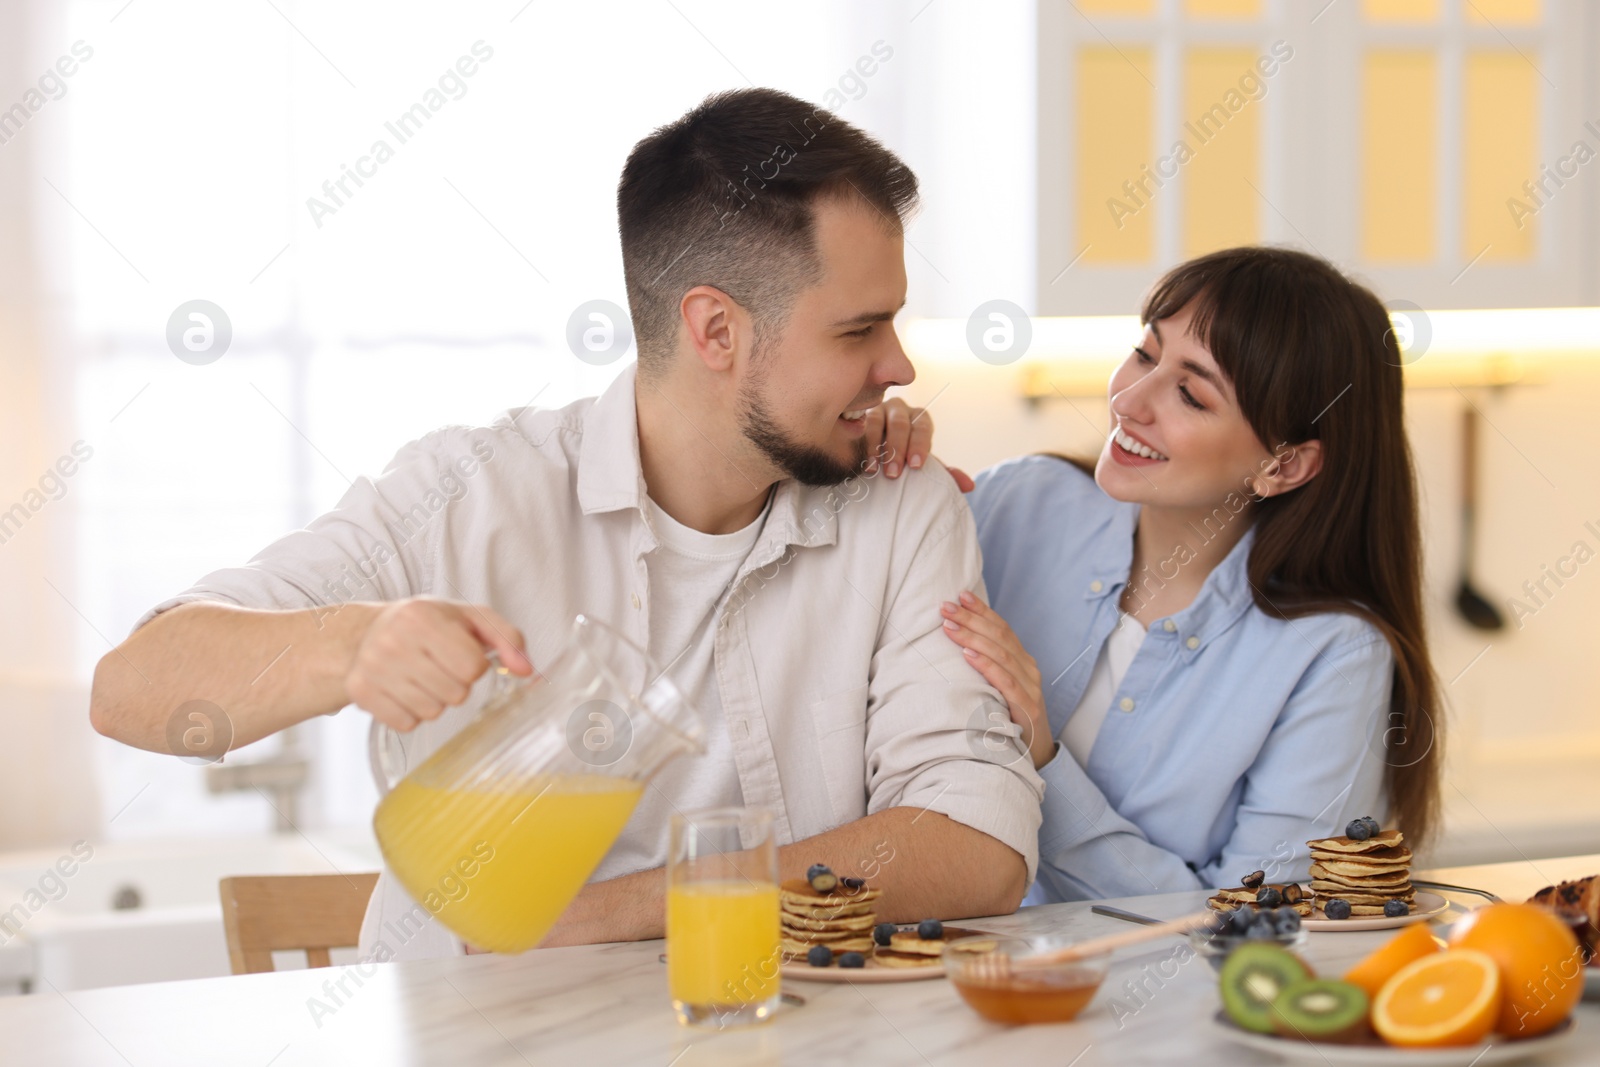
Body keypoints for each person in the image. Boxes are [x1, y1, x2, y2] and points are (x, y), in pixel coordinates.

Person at [89, 88, 1045, 958]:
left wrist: (621, 909)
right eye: (858, 330)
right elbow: (131, 689)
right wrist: (350, 645)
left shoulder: (899, 503)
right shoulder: (468, 494)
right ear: (715, 331)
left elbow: (980, 843)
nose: (899, 367)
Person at [869, 246, 1442, 901]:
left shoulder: (1332, 654)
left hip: (1135, 1003)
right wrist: (867, 463)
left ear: (1285, 465)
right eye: (1144, 354)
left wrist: (1041, 757)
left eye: (1190, 393)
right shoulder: (1021, 502)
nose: (1130, 400)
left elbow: (1253, 926)